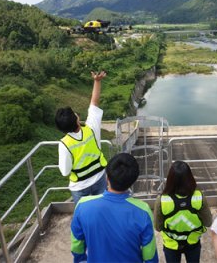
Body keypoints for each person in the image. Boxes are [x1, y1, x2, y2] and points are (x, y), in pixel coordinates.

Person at [70, 153, 158, 263]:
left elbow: (76, 246)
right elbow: (150, 256)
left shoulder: (83, 205)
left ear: (107, 177)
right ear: (133, 181)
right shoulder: (143, 211)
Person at [55, 70, 108, 204]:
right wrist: (97, 81)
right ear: (77, 119)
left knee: (84, 216)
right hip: (100, 178)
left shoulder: (64, 144)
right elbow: (94, 103)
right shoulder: (91, 128)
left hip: (80, 187)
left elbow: (65, 171)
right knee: (102, 210)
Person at [154, 161, 213, 263]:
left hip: (171, 244)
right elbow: (208, 222)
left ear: (170, 179)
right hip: (193, 243)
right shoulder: (199, 197)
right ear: (190, 178)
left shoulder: (162, 200)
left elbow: (158, 227)